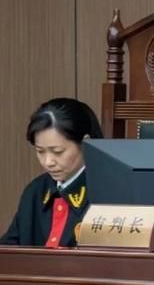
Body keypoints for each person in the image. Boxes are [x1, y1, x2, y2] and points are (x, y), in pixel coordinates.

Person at [1, 98, 103, 247]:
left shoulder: (108, 191)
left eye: (58, 151)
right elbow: (10, 247)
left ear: (85, 143)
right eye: (40, 151)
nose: (48, 162)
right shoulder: (36, 190)